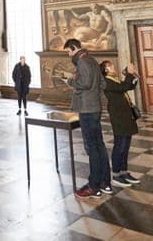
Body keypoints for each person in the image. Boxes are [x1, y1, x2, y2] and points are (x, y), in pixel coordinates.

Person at [60, 38, 111, 200]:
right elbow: (102, 84)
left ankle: (93, 186)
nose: (69, 55)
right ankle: (105, 182)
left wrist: (69, 81)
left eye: (68, 51)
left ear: (74, 48)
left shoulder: (81, 61)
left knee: (92, 148)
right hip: (95, 107)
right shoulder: (91, 60)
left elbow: (85, 83)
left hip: (87, 110)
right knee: (99, 145)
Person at [101, 60, 141, 188]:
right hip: (118, 116)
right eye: (110, 66)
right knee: (120, 145)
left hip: (125, 114)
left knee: (126, 144)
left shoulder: (115, 79)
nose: (113, 67)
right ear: (106, 69)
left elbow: (128, 86)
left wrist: (133, 76)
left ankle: (124, 172)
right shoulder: (106, 81)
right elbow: (122, 88)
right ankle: (116, 174)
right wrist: (129, 74)